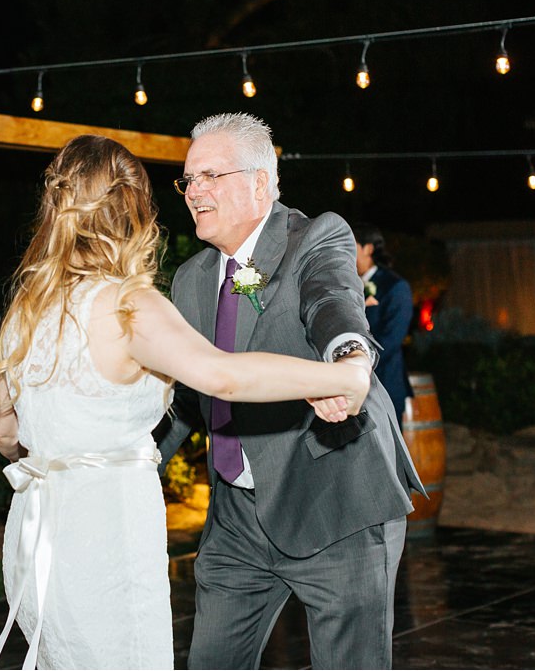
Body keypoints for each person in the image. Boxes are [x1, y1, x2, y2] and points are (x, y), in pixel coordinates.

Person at [0, 134, 371, 671]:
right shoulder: (128, 306)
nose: (193, 192)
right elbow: (222, 377)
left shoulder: (27, 308)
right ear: (136, 209)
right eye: (189, 181)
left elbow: (5, 432)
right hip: (106, 535)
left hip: (39, 533)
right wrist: (334, 377)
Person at [161, 113, 422, 670]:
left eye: (211, 176)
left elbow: (332, 303)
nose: (194, 192)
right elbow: (185, 393)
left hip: (335, 499)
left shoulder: (317, 236)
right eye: (188, 180)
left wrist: (348, 361)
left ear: (261, 182)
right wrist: (116, 461)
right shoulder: (190, 279)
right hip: (236, 520)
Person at [352, 219, 414, 425]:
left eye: (350, 245)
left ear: (368, 248)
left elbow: (391, 339)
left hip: (384, 384)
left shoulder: (395, 286)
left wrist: (356, 365)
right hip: (349, 388)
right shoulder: (346, 284)